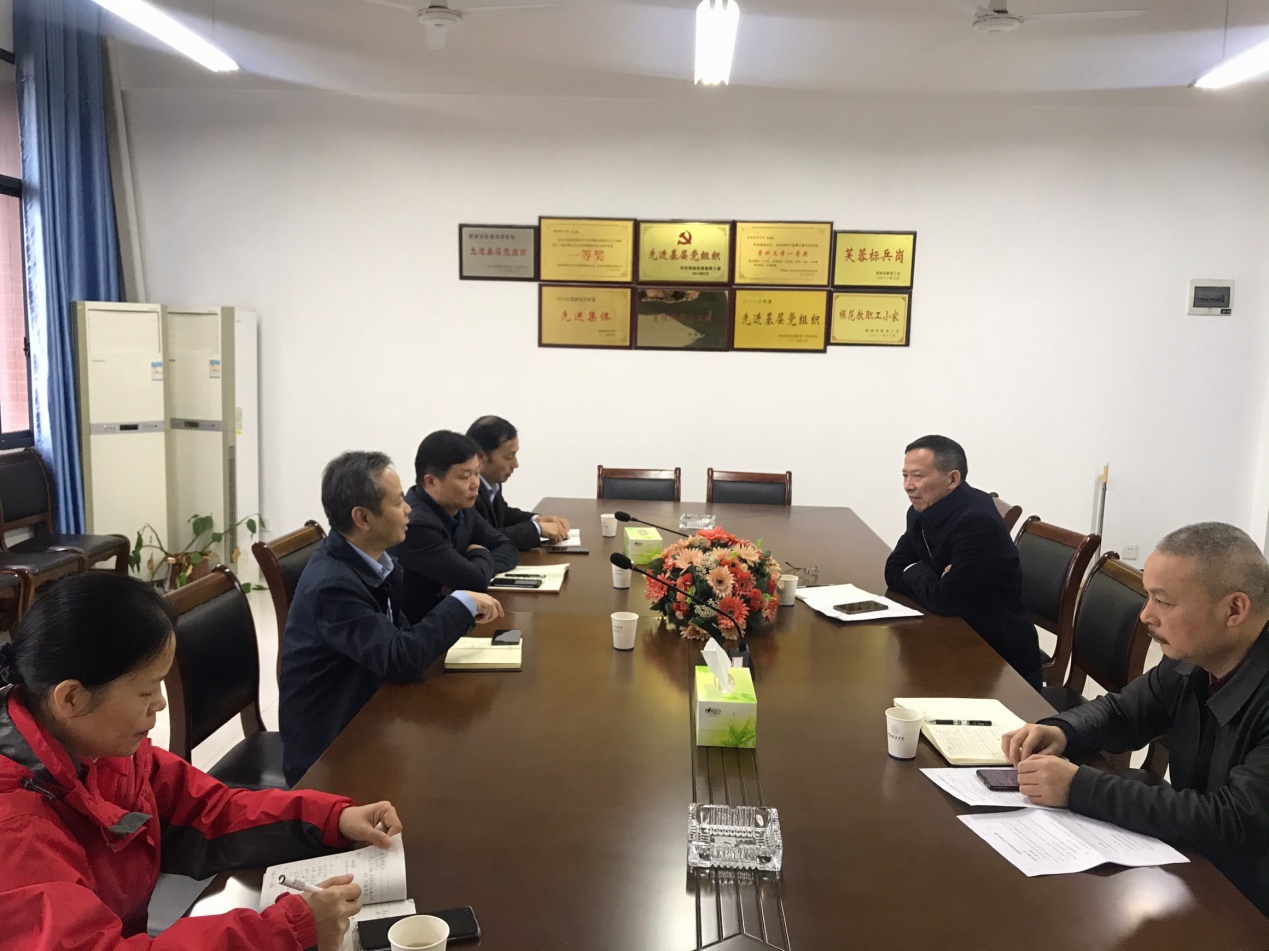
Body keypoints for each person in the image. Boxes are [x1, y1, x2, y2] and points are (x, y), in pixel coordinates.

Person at [0, 572, 403, 951]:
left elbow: (209, 811)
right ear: (71, 698)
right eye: (146, 691)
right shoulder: (16, 832)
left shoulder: (100, 748)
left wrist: (331, 819)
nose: (160, 703)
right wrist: (287, 929)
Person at [1003, 522, 1269, 916]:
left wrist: (1080, 787)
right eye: (1147, 596)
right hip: (1199, 868)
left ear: (1234, 609)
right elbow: (1125, 712)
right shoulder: (1196, 657)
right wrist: (1062, 731)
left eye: (1163, 601)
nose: (1146, 615)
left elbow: (1233, 822)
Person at [280, 451, 503, 785]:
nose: (409, 509)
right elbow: (399, 658)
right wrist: (461, 603)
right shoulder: (333, 587)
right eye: (399, 502)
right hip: (329, 751)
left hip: (370, 713)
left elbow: (398, 635)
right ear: (363, 518)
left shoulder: (373, 562)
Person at [883, 435, 1042, 689]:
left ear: (952, 479)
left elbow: (947, 600)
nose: (908, 486)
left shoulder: (976, 522)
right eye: (905, 476)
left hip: (997, 662)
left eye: (918, 476)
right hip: (954, 637)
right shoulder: (920, 510)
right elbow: (892, 570)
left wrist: (915, 570)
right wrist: (933, 576)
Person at [389, 430, 519, 623]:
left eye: (477, 473)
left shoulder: (463, 508)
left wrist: (470, 568)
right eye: (465, 477)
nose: (475, 484)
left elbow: (507, 547)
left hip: (452, 617)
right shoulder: (416, 525)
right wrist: (479, 553)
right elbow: (474, 581)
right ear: (431, 482)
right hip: (419, 627)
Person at [466, 415, 571, 551]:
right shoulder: (467, 491)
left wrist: (536, 519)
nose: (515, 464)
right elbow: (484, 538)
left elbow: (504, 515)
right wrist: (536, 529)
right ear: (482, 458)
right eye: (509, 457)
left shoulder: (492, 483)